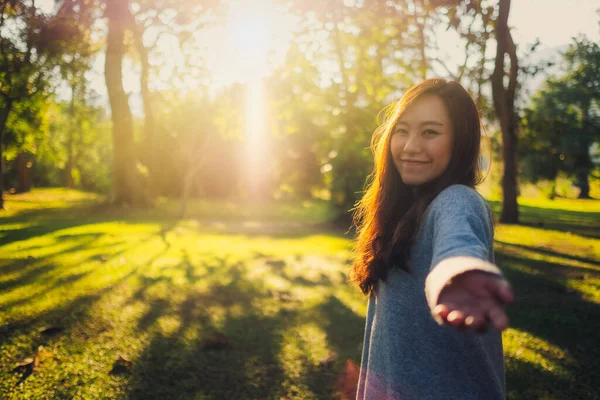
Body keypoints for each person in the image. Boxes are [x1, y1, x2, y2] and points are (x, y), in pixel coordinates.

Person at [350, 78, 514, 400]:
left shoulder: (456, 200)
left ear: (460, 142)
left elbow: (459, 241)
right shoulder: (401, 210)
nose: (410, 146)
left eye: (430, 132)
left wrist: (457, 270)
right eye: (402, 130)